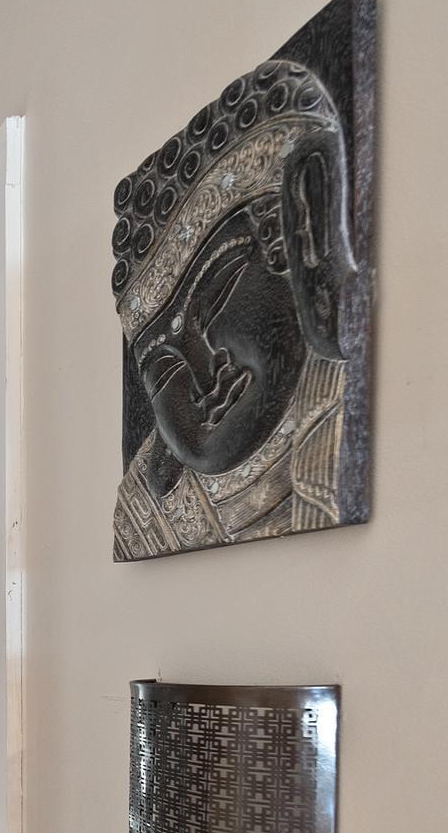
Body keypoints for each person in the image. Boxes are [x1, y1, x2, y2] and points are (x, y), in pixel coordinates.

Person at [110, 58, 359, 560]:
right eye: (162, 371)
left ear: (295, 239)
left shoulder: (340, 414)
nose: (203, 378)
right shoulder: (147, 517)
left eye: (219, 291)